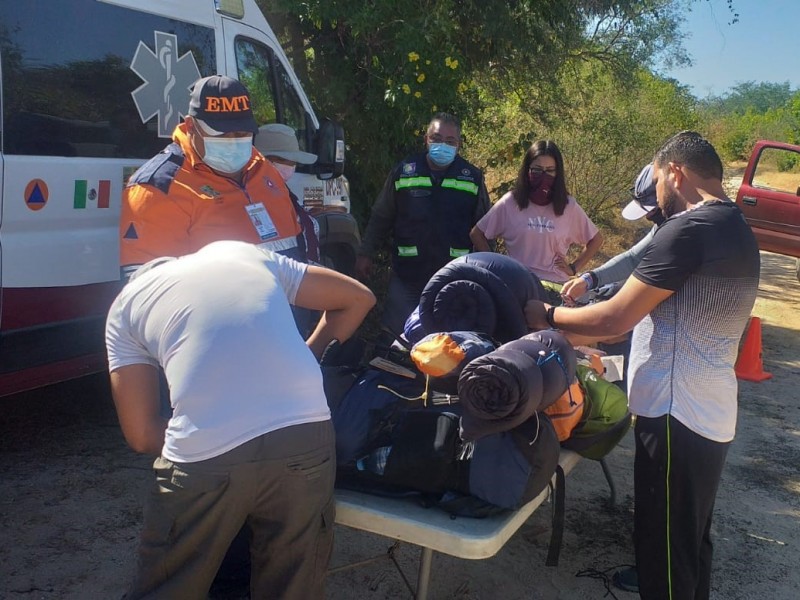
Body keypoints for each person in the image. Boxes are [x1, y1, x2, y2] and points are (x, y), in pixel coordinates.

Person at [525, 131, 761, 600]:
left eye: (656, 181)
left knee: (663, 558)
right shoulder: (734, 226)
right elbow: (637, 274)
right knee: (690, 546)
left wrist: (548, 317)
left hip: (675, 417)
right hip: (710, 415)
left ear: (674, 171)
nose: (655, 194)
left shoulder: (690, 228)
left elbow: (614, 320)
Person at [105, 240, 376, 600]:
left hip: (207, 453)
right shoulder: (243, 252)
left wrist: (210, 436)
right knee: (291, 585)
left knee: (170, 584)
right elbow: (359, 298)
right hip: (305, 429)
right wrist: (307, 358)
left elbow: (141, 435)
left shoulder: (126, 305)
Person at [120, 75, 318, 280]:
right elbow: (149, 294)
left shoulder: (262, 167)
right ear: (190, 127)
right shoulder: (158, 188)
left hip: (287, 309)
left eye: (242, 133)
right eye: (221, 134)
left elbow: (296, 252)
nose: (233, 142)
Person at [355, 112, 491, 337]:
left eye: (450, 141)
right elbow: (381, 216)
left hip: (453, 276)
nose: (442, 145)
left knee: (446, 340)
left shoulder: (472, 177)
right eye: (436, 138)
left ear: (459, 145)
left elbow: (485, 228)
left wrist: (486, 270)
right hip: (407, 275)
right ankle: (391, 371)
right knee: (394, 336)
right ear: (426, 140)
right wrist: (366, 252)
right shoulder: (405, 171)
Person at [470, 140, 603, 294]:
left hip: (554, 288)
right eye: (537, 170)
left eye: (550, 170)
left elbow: (596, 240)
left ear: (558, 172)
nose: (544, 176)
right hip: (517, 283)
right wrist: (497, 266)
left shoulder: (569, 206)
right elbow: (477, 233)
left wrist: (573, 268)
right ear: (527, 170)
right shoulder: (511, 202)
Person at [560, 163, 664, 305]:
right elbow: (633, 259)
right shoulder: (663, 227)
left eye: (651, 210)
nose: (648, 217)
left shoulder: (690, 230)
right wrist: (587, 280)